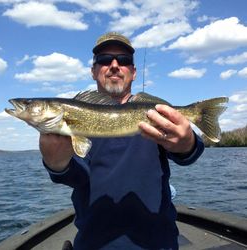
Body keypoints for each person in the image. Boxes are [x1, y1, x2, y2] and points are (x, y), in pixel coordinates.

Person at [40, 32, 204, 250]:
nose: (114, 65)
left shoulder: (155, 113)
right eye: (105, 60)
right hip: (95, 243)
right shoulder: (73, 122)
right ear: (93, 71)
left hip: (158, 242)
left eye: (124, 60)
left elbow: (188, 155)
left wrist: (188, 142)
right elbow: (76, 177)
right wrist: (56, 164)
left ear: (134, 72)